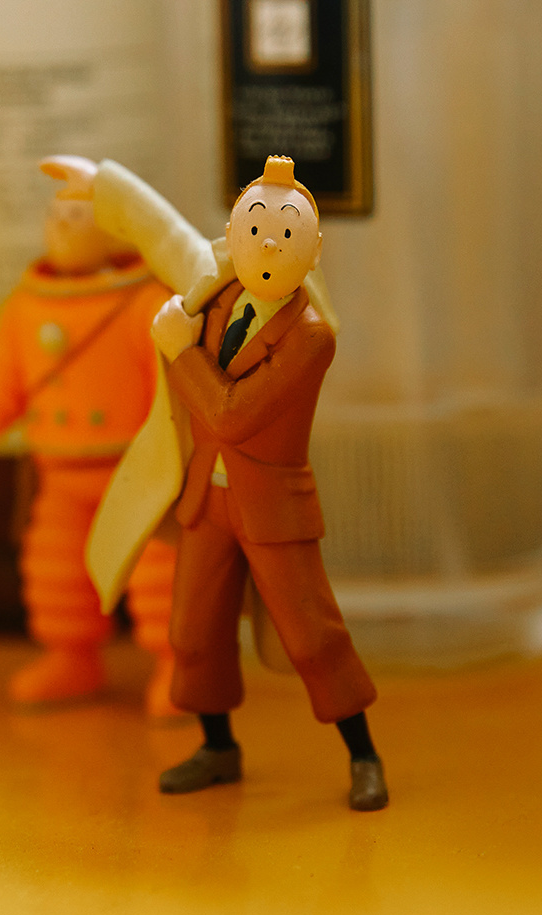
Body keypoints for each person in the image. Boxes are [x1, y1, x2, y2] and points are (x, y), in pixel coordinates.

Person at [40, 154, 387, 812]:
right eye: (254, 229)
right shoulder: (213, 289)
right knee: (193, 633)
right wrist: (104, 184)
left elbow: (232, 414)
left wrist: (180, 350)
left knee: (312, 636)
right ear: (231, 233)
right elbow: (164, 233)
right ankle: (218, 746)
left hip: (272, 509)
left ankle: (363, 753)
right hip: (209, 500)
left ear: (313, 250)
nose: (267, 245)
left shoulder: (311, 337)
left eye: (285, 235)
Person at [0, 191, 181, 717]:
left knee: (160, 576)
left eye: (76, 216)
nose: (61, 226)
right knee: (56, 571)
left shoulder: (147, 305)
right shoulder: (25, 306)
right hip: (59, 475)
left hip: (137, 477)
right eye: (55, 215)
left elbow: (174, 389)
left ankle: (180, 663)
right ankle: (71, 656)